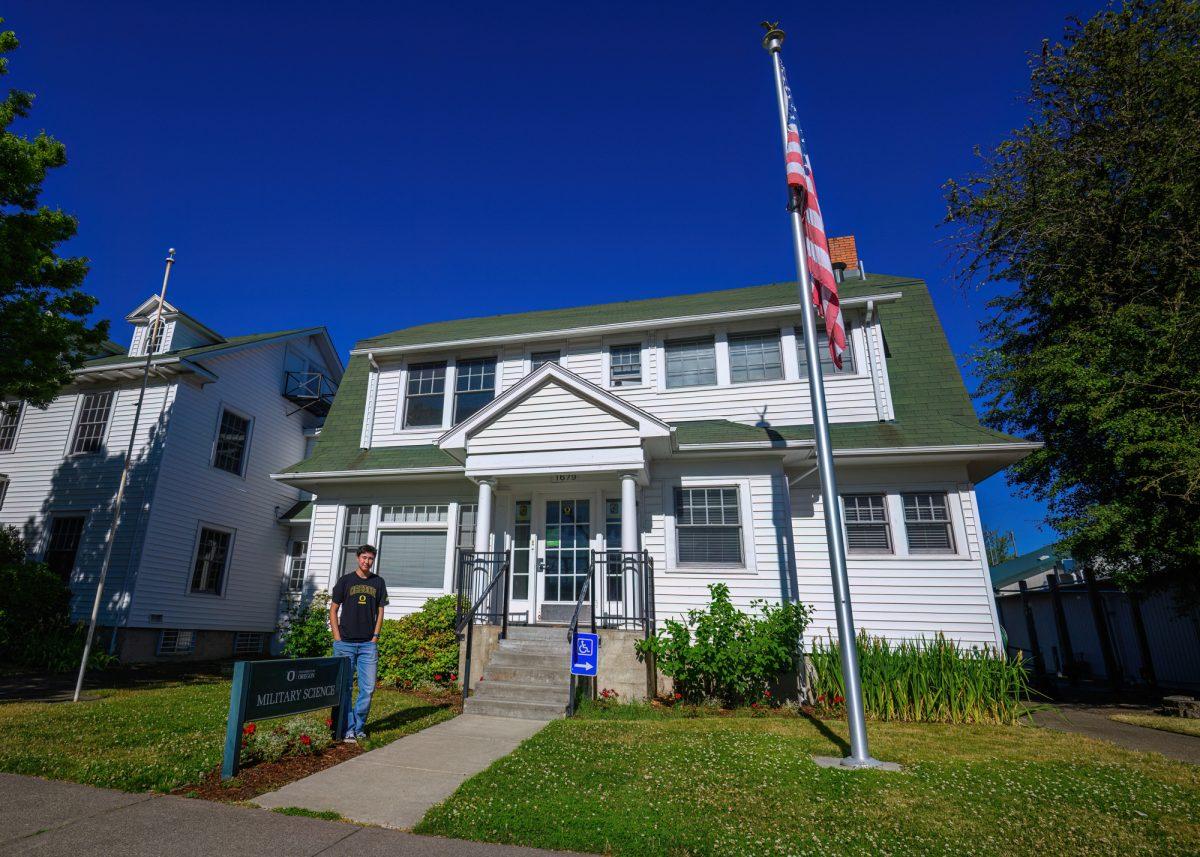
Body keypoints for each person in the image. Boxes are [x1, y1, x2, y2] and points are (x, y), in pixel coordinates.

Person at [330, 544, 388, 742]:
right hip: (344, 643)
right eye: (364, 557)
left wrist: (375, 637)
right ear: (357, 558)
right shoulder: (345, 581)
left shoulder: (378, 582)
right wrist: (337, 637)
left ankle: (359, 726)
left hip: (367, 645)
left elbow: (380, 611)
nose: (367, 561)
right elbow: (333, 609)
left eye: (370, 558)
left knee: (368, 688)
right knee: (344, 688)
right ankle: (347, 728)